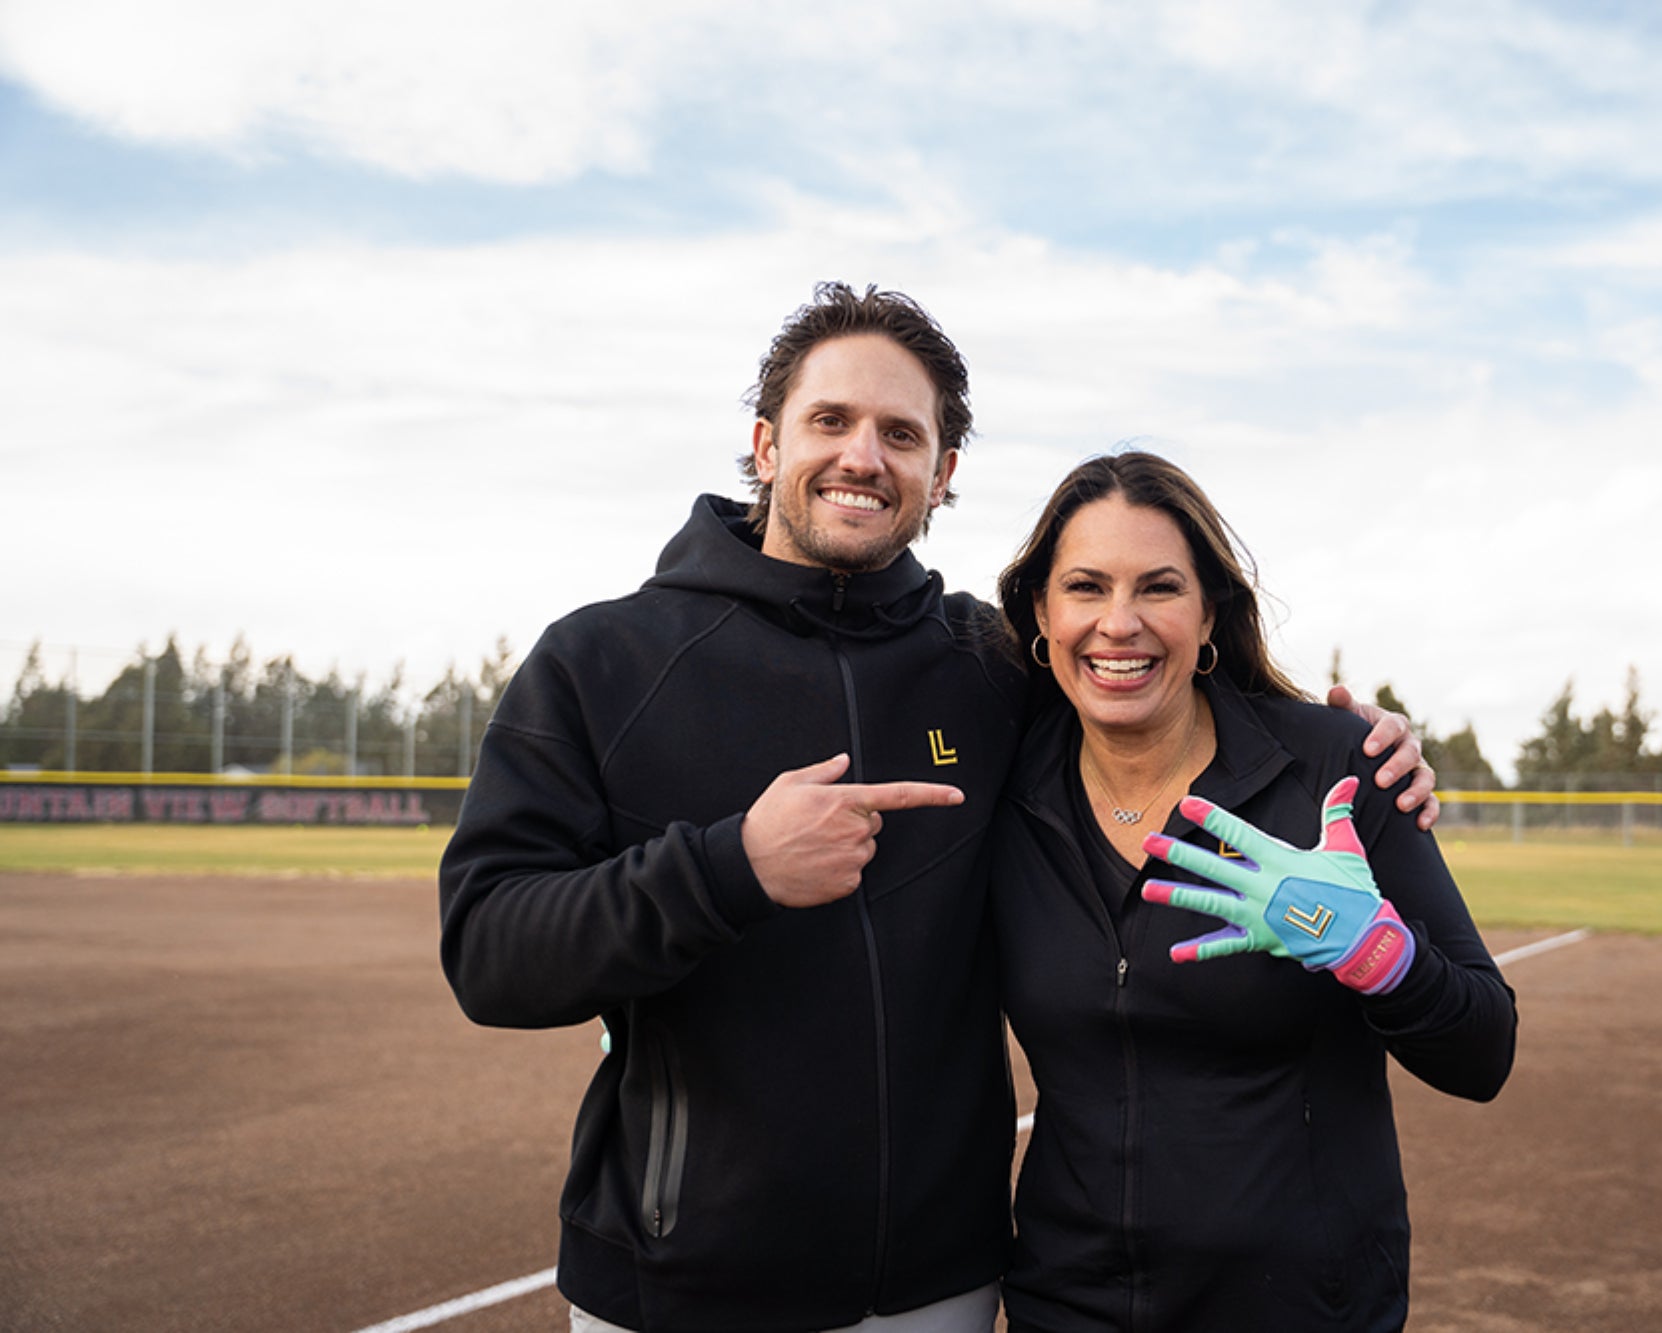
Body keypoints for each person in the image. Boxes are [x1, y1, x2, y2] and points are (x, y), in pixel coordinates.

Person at [439, 284, 1436, 1333]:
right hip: (675, 1288)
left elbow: (1148, 676)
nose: (863, 456)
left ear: (943, 472)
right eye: (831, 420)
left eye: (901, 434)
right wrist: (731, 869)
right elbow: (489, 953)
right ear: (766, 445)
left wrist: (1355, 740)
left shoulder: (994, 666)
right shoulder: (600, 662)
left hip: (938, 1286)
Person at [990, 451, 1517, 1332]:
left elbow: (1482, 1053)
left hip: (1302, 1307)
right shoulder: (1003, 782)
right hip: (1067, 1302)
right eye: (1085, 587)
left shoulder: (1333, 769)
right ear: (1042, 613)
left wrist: (1377, 955)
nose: (1118, 622)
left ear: (1209, 615)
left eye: (1159, 587)